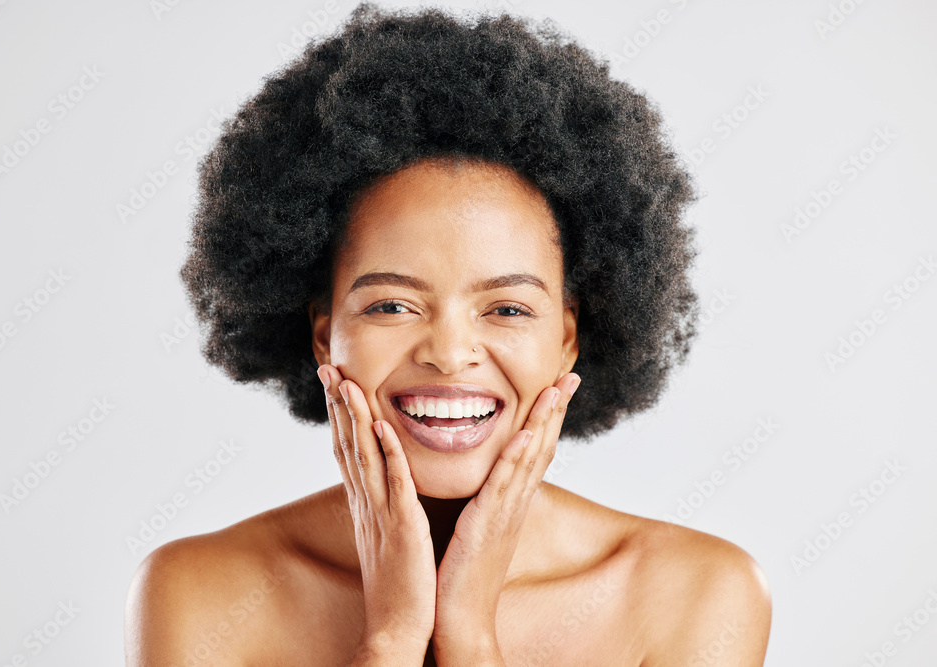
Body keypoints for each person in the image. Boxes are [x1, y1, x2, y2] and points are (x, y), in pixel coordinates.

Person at [125, 3, 771, 665]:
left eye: (507, 309)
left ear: (569, 338)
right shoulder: (198, 591)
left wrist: (468, 633)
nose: (449, 352)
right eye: (392, 306)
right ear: (325, 335)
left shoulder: (695, 593)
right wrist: (391, 639)